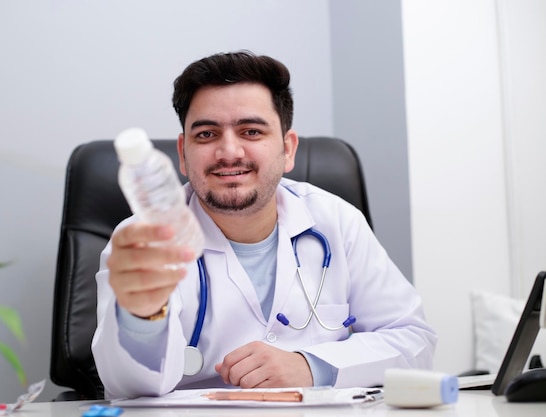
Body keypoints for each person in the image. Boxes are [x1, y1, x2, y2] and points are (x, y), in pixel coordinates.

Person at [92, 50, 437, 399]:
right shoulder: (144, 243)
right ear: (182, 154)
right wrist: (141, 315)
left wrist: (311, 365)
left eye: (251, 131)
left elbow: (414, 341)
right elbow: (127, 387)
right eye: (207, 135)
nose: (229, 152)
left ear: (287, 149)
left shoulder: (337, 222)